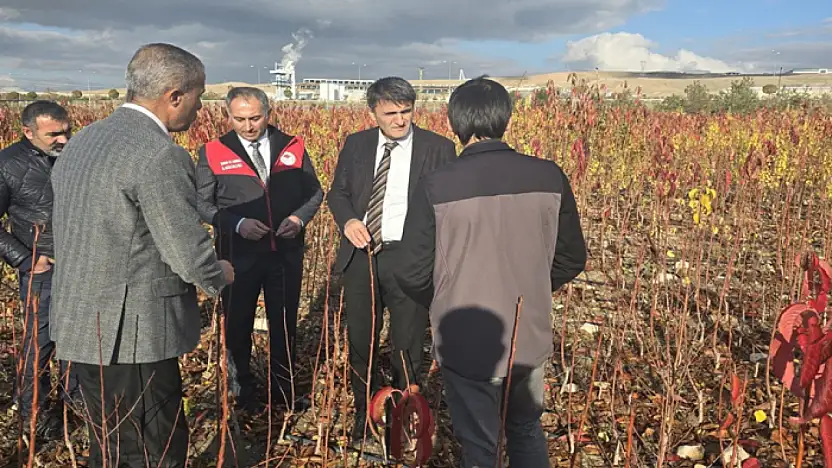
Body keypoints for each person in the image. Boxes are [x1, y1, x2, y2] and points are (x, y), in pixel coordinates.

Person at [49, 43, 235, 467]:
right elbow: (184, 248)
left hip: (82, 322)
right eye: (198, 96)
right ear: (174, 96)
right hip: (132, 331)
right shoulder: (159, 154)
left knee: (110, 443)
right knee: (156, 448)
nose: (199, 106)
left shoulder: (85, 140)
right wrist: (218, 274)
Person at [394, 76, 587, 467]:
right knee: (526, 429)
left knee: (480, 445)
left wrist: (447, 300)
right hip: (528, 333)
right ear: (506, 119)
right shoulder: (550, 176)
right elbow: (572, 257)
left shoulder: (436, 184)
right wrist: (532, 287)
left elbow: (410, 270)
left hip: (467, 339)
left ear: (455, 124)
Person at [326, 76, 457, 443]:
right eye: (391, 113)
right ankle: (362, 414)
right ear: (374, 112)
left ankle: (405, 412)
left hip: (410, 258)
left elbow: (448, 207)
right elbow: (337, 193)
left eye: (406, 112)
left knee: (407, 341)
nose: (400, 120)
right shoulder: (356, 145)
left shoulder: (439, 148)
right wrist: (349, 220)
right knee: (362, 342)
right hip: (362, 255)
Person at [195, 86, 323, 411]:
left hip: (285, 253)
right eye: (240, 119)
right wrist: (238, 224)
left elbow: (314, 193)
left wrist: (298, 218)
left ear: (268, 113)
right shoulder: (212, 151)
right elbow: (202, 206)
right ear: (228, 116)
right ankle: (244, 393)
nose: (249, 126)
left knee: (283, 324)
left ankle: (283, 393)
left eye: (255, 118)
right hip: (238, 257)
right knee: (238, 324)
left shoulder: (292, 146)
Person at [0, 100, 79, 442]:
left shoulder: (77, 156)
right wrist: (24, 258)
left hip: (82, 266)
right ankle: (34, 419)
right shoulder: (7, 165)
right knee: (40, 343)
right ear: (28, 132)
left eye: (67, 131)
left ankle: (77, 409)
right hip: (41, 270)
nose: (63, 139)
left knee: (81, 341)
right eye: (53, 134)